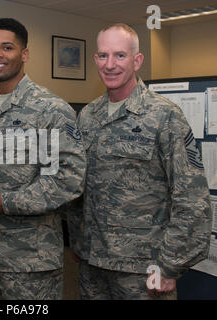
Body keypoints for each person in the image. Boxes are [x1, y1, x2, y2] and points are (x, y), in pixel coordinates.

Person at [68, 23, 212, 300]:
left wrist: (170, 266)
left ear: (137, 60)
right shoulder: (87, 116)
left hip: (144, 270)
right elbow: (79, 187)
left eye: (120, 55)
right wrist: (77, 242)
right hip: (93, 264)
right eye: (103, 55)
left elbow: (192, 198)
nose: (110, 64)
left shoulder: (164, 116)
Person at [0, 18, 86, 300]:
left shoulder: (51, 110)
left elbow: (69, 181)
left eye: (7, 47)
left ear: (24, 54)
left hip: (30, 263)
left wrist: (6, 202)